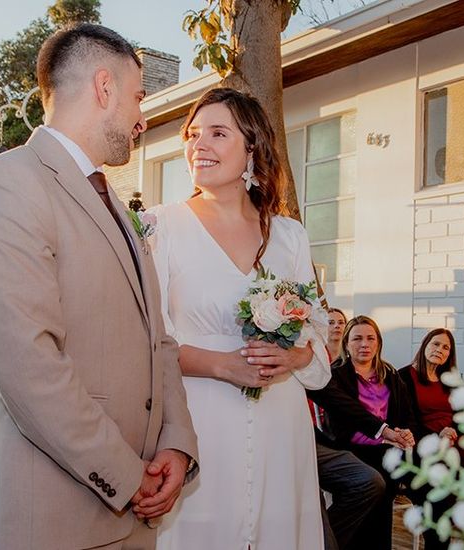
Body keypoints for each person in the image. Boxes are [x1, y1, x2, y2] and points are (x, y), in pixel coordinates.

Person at [0, 22, 198, 550]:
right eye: (137, 97)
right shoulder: (5, 183)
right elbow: (29, 364)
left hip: (136, 518)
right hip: (50, 517)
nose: (141, 117)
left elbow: (160, 341)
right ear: (103, 88)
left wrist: (176, 445)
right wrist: (129, 477)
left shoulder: (118, 206)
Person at [149, 87, 330, 550]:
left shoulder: (289, 235)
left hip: (280, 423)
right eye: (192, 134)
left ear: (252, 148)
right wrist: (221, 365)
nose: (198, 144)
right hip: (200, 419)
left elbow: (317, 339)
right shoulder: (160, 225)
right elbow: (147, 341)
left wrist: (294, 356)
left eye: (217, 133)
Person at [309, 315, 422, 550]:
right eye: (357, 338)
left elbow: (407, 415)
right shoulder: (336, 375)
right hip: (352, 448)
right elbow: (345, 417)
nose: (364, 344)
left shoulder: (390, 375)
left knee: (419, 473)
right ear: (347, 344)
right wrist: (385, 433)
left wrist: (405, 434)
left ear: (378, 343)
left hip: (389, 449)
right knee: (381, 475)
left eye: (371, 338)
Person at [397, 328, 462, 451]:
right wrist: (439, 435)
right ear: (425, 345)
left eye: (445, 348)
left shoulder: (450, 379)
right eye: (436, 344)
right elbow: (406, 420)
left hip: (453, 437)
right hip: (425, 440)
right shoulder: (404, 376)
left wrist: (452, 432)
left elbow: (461, 414)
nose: (439, 350)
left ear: (449, 355)